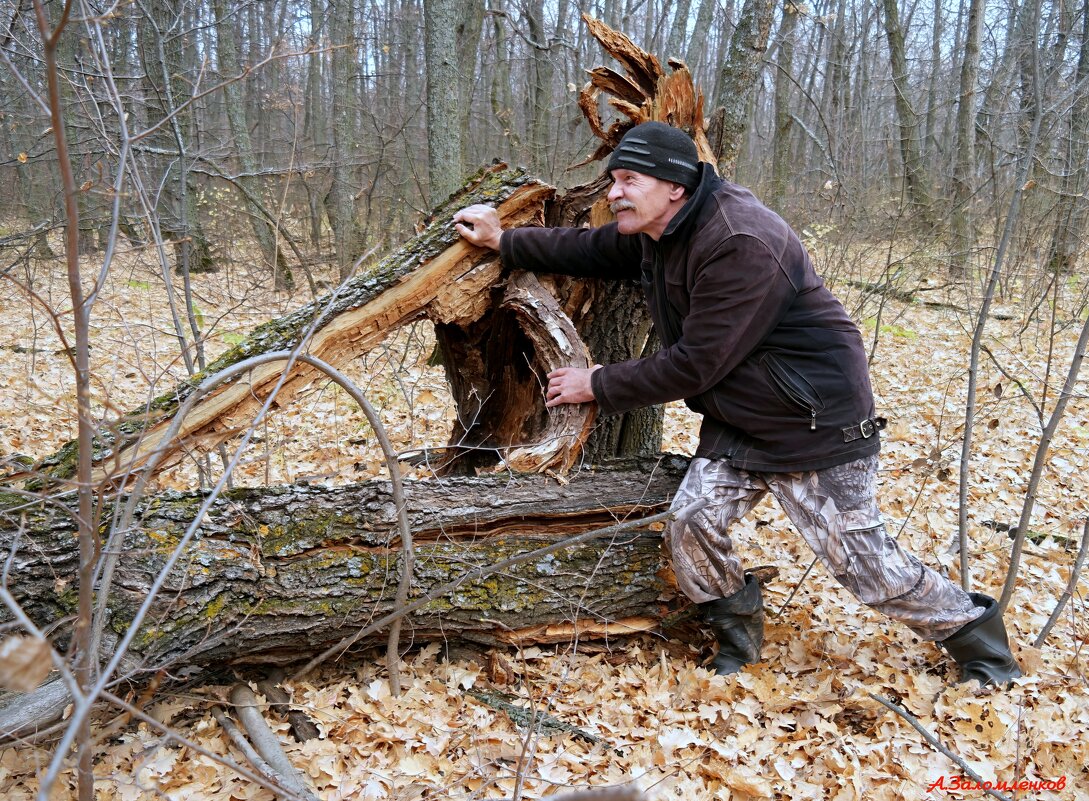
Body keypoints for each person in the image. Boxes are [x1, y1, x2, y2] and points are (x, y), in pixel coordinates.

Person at [452, 121, 1021, 686]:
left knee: (863, 564)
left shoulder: (738, 241)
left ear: (675, 186)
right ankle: (737, 635)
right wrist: (503, 239)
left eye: (629, 180)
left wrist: (597, 384)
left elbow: (696, 362)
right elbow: (598, 248)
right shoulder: (661, 229)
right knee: (692, 523)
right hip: (740, 416)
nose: (613, 193)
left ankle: (980, 643)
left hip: (811, 418)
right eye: (612, 179)